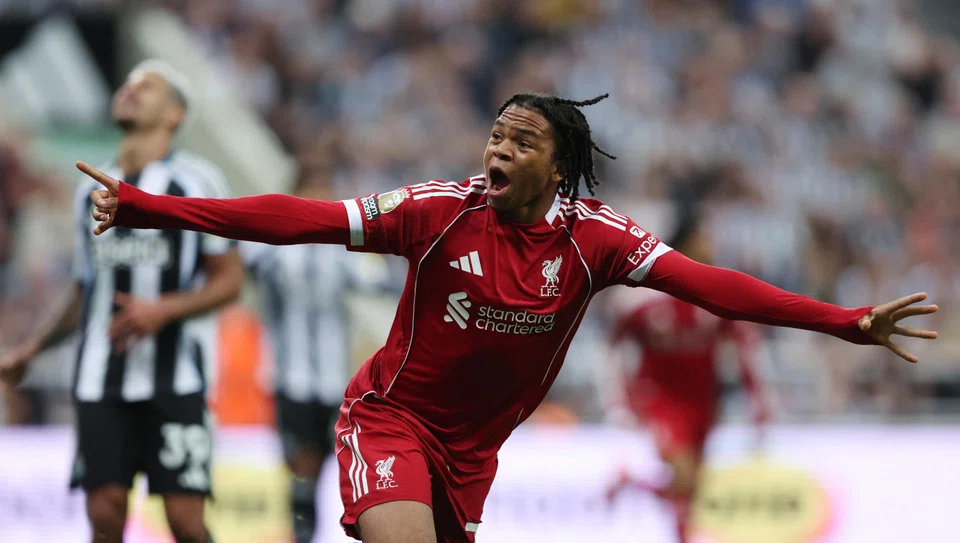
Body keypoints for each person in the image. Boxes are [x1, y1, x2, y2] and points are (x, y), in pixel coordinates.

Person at [77, 92, 938, 543]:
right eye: (495, 134)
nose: (496, 149)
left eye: (520, 142)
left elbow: (709, 285)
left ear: (557, 166)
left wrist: (845, 321)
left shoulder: (598, 240)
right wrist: (152, 208)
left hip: (472, 454)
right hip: (390, 421)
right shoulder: (437, 210)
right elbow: (298, 218)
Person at [0, 60, 244, 543]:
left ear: (175, 113)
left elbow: (229, 282)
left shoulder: (199, 183)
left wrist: (163, 310)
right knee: (105, 513)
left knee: (186, 522)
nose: (130, 90)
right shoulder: (88, 188)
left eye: (146, 85)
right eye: (126, 83)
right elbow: (83, 289)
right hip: (100, 379)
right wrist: (32, 349)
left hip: (177, 379)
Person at [604, 208, 770, 542]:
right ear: (688, 243)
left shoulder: (718, 294)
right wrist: (619, 400)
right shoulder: (642, 296)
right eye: (705, 238)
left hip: (704, 402)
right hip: (660, 401)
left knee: (691, 489)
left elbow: (744, 349)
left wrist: (759, 403)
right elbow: (612, 350)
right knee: (683, 477)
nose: (711, 246)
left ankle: (634, 486)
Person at [241, 171, 390, 543]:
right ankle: (301, 532)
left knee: (321, 468)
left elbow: (381, 281)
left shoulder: (342, 252)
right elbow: (237, 265)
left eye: (323, 199)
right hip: (287, 377)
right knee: (300, 469)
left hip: (332, 382)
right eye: (309, 198)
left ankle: (307, 529)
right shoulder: (272, 250)